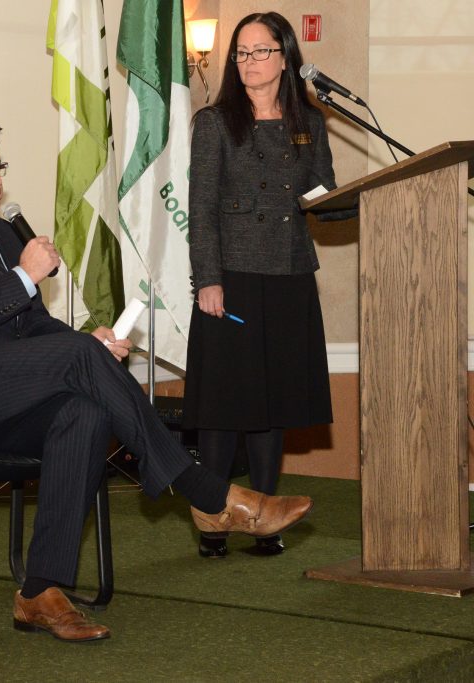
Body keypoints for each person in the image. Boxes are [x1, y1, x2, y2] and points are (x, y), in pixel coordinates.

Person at [0, 118, 313, 642]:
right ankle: (204, 494)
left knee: (86, 411)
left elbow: (31, 324)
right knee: (78, 363)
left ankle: (39, 590)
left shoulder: (0, 235)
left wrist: (89, 342)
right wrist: (24, 278)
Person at [184, 11, 336, 559]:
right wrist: (208, 280)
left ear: (285, 57)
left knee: (271, 404)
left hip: (291, 274)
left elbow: (325, 194)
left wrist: (365, 200)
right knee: (227, 404)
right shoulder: (216, 122)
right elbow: (200, 209)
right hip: (234, 279)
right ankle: (214, 520)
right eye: (241, 53)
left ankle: (265, 518)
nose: (249, 62)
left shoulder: (309, 122)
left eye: (260, 51)